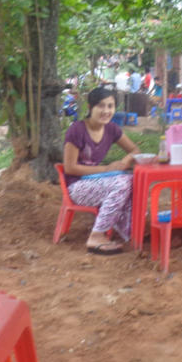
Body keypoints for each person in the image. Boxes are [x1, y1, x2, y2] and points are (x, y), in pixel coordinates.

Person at [62, 86, 140, 255]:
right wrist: (107, 168)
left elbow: (135, 150)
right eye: (101, 106)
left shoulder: (111, 129)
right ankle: (96, 236)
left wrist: (125, 161)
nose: (106, 111)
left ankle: (130, 231)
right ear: (90, 108)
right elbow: (70, 167)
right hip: (77, 188)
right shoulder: (77, 130)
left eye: (110, 106)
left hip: (100, 181)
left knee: (134, 180)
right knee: (123, 182)